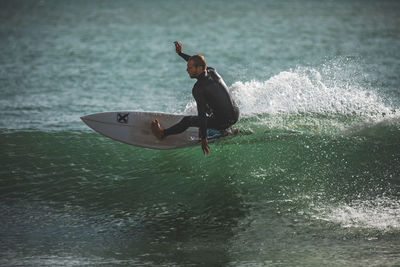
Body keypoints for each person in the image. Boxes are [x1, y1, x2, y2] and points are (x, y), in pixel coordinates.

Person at [151, 41, 239, 154]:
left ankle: (162, 133)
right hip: (235, 114)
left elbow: (201, 115)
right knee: (212, 101)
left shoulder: (199, 88)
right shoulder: (212, 71)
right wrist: (180, 54)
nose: (187, 70)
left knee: (187, 121)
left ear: (199, 68)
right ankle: (227, 129)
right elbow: (199, 62)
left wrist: (203, 138)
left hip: (223, 120)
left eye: (190, 67)